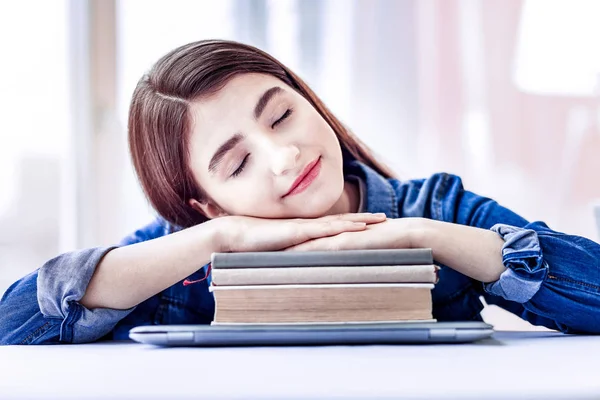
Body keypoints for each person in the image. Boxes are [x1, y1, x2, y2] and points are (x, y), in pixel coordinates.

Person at [1, 40, 599, 345]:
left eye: (283, 115)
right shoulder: (184, 253)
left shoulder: (436, 208)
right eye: (236, 163)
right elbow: (14, 324)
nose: (284, 156)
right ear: (204, 204)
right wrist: (223, 238)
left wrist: (420, 237)